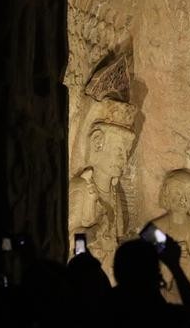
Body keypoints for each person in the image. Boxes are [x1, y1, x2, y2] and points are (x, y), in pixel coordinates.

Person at [68, 98, 137, 279]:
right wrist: (95, 234)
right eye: (119, 152)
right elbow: (72, 242)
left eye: (126, 153)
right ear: (97, 144)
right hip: (85, 274)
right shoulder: (81, 187)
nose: (124, 160)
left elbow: (117, 237)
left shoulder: (114, 193)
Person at [107, 237, 190, 328]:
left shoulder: (106, 305)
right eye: (158, 269)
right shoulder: (156, 312)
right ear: (154, 274)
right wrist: (174, 266)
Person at [152, 169, 190, 299]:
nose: (184, 199)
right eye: (178, 193)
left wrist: (188, 260)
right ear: (167, 193)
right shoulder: (155, 229)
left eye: (189, 194)